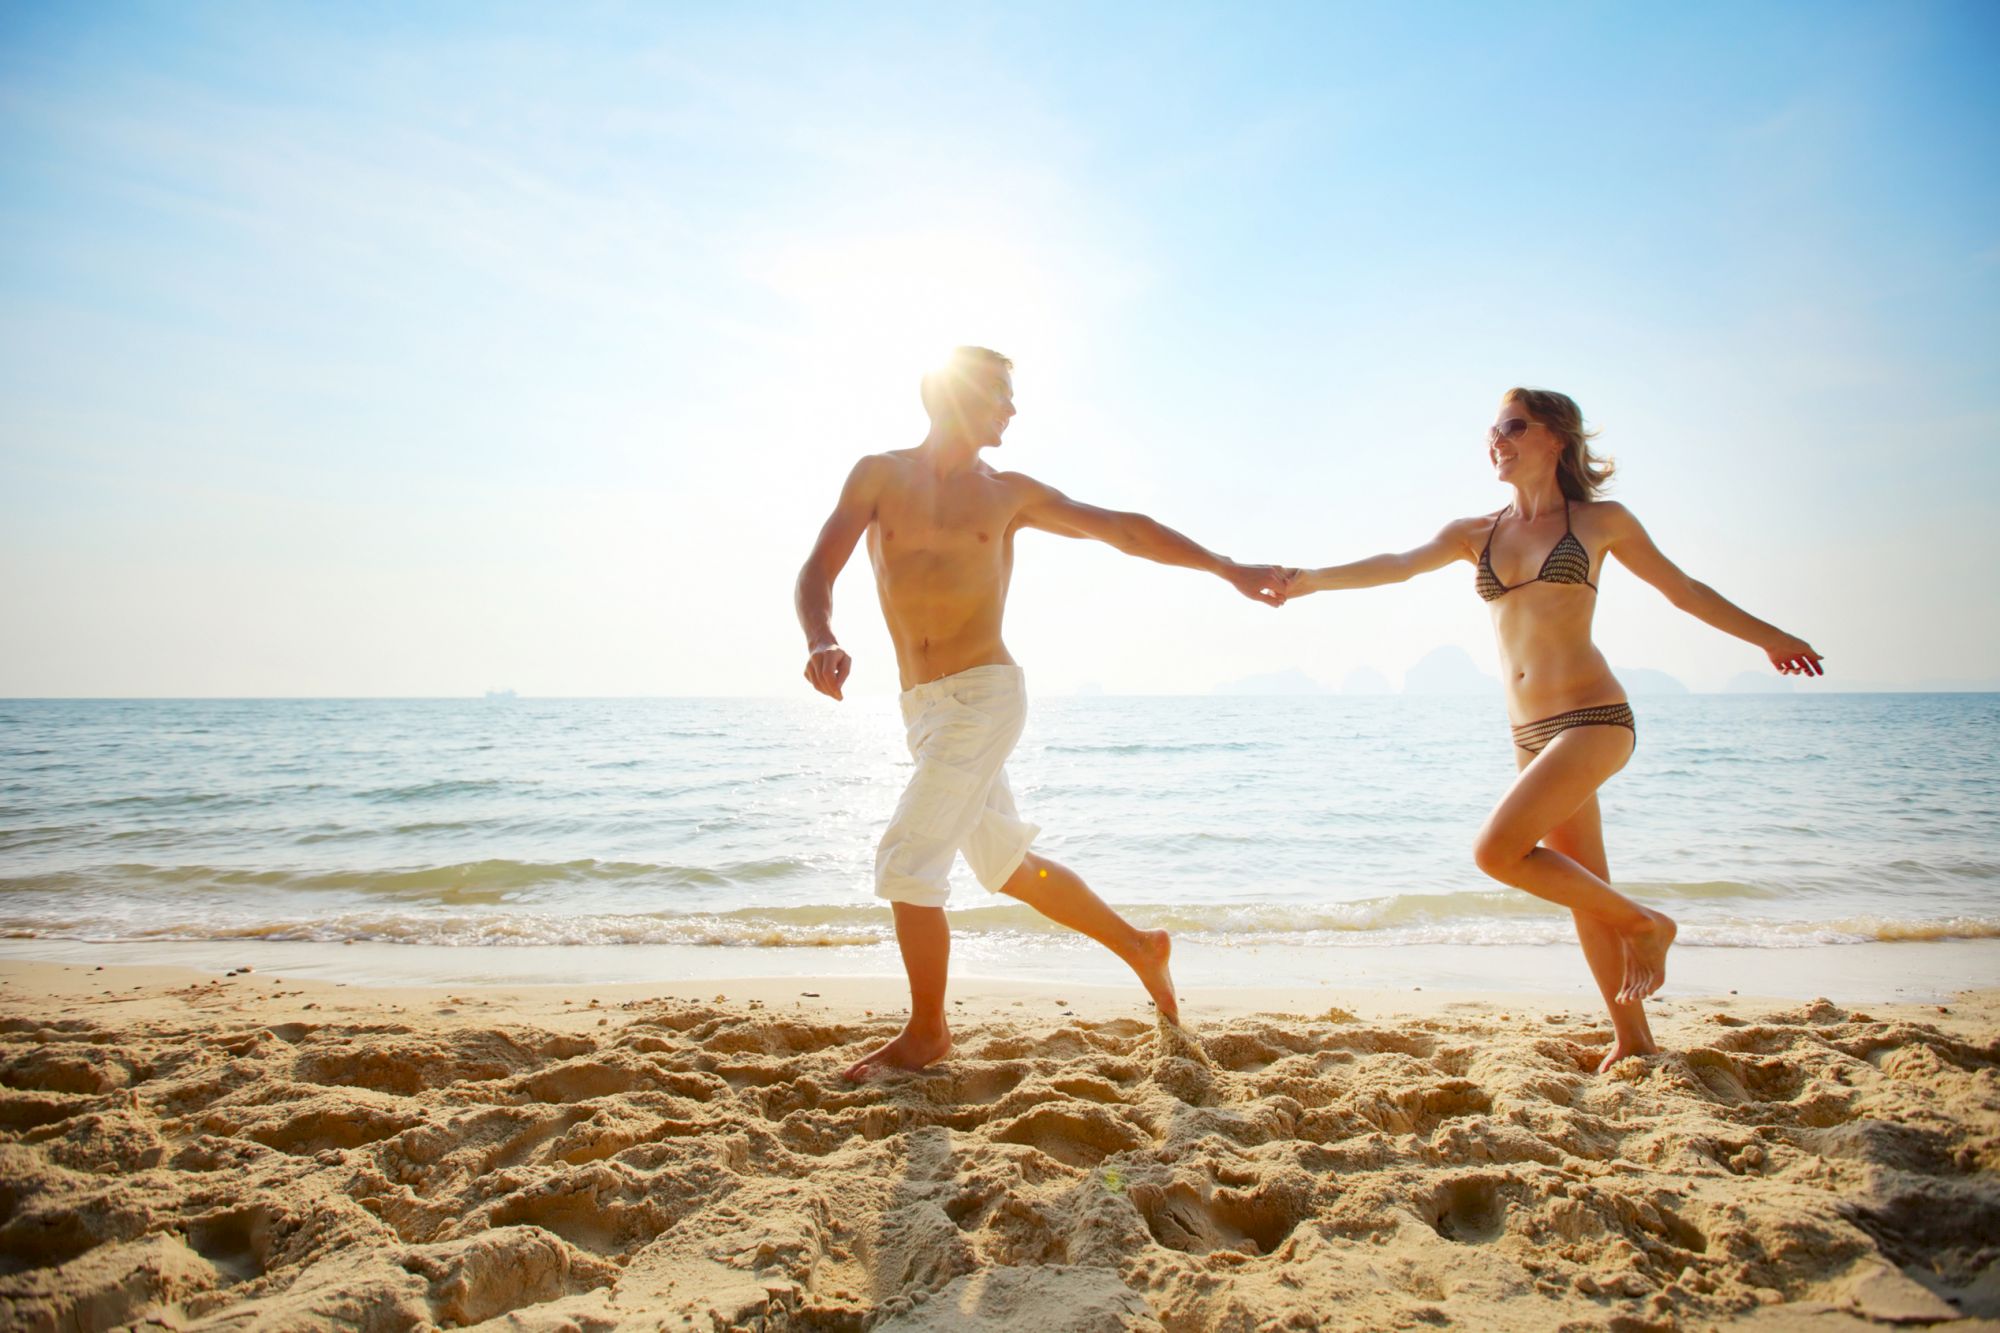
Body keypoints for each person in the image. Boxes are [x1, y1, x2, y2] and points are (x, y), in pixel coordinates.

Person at [1283, 388, 1823, 1070]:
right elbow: (1395, 563)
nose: (1497, 440)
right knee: (1583, 887)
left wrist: (1772, 638)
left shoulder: (1601, 521)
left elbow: (1683, 590)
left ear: (1555, 437)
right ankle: (1635, 1039)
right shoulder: (1473, 532)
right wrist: (1309, 581)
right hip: (1528, 733)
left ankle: (1647, 922)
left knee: (1497, 851)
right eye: (1492, 430)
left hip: (1594, 718)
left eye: (1513, 426)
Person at [795, 347, 1289, 1080]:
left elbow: (1122, 527)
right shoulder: (878, 474)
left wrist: (1226, 567)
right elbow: (818, 568)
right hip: (922, 709)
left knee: (906, 860)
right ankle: (1139, 945)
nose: (1013, 409)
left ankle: (927, 1034)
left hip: (984, 696)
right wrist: (822, 637)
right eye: (999, 393)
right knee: (1005, 865)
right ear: (953, 395)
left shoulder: (1008, 494)